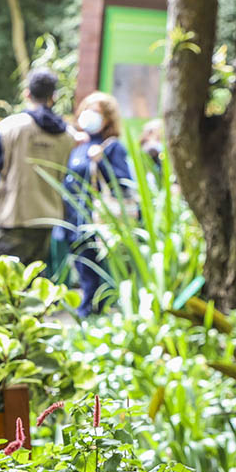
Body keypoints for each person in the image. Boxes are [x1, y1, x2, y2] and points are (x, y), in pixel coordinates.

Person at [0, 69, 75, 269]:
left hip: (14, 215)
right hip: (46, 216)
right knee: (34, 276)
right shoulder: (67, 135)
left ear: (27, 93)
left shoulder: (12, 126)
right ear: (54, 96)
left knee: (4, 277)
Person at [60, 91, 133, 318]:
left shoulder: (112, 147)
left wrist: (102, 163)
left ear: (108, 118)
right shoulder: (78, 146)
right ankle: (89, 307)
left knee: (96, 264)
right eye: (87, 110)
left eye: (96, 112)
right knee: (81, 263)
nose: (89, 115)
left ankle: (94, 309)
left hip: (99, 219)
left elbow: (123, 184)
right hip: (74, 217)